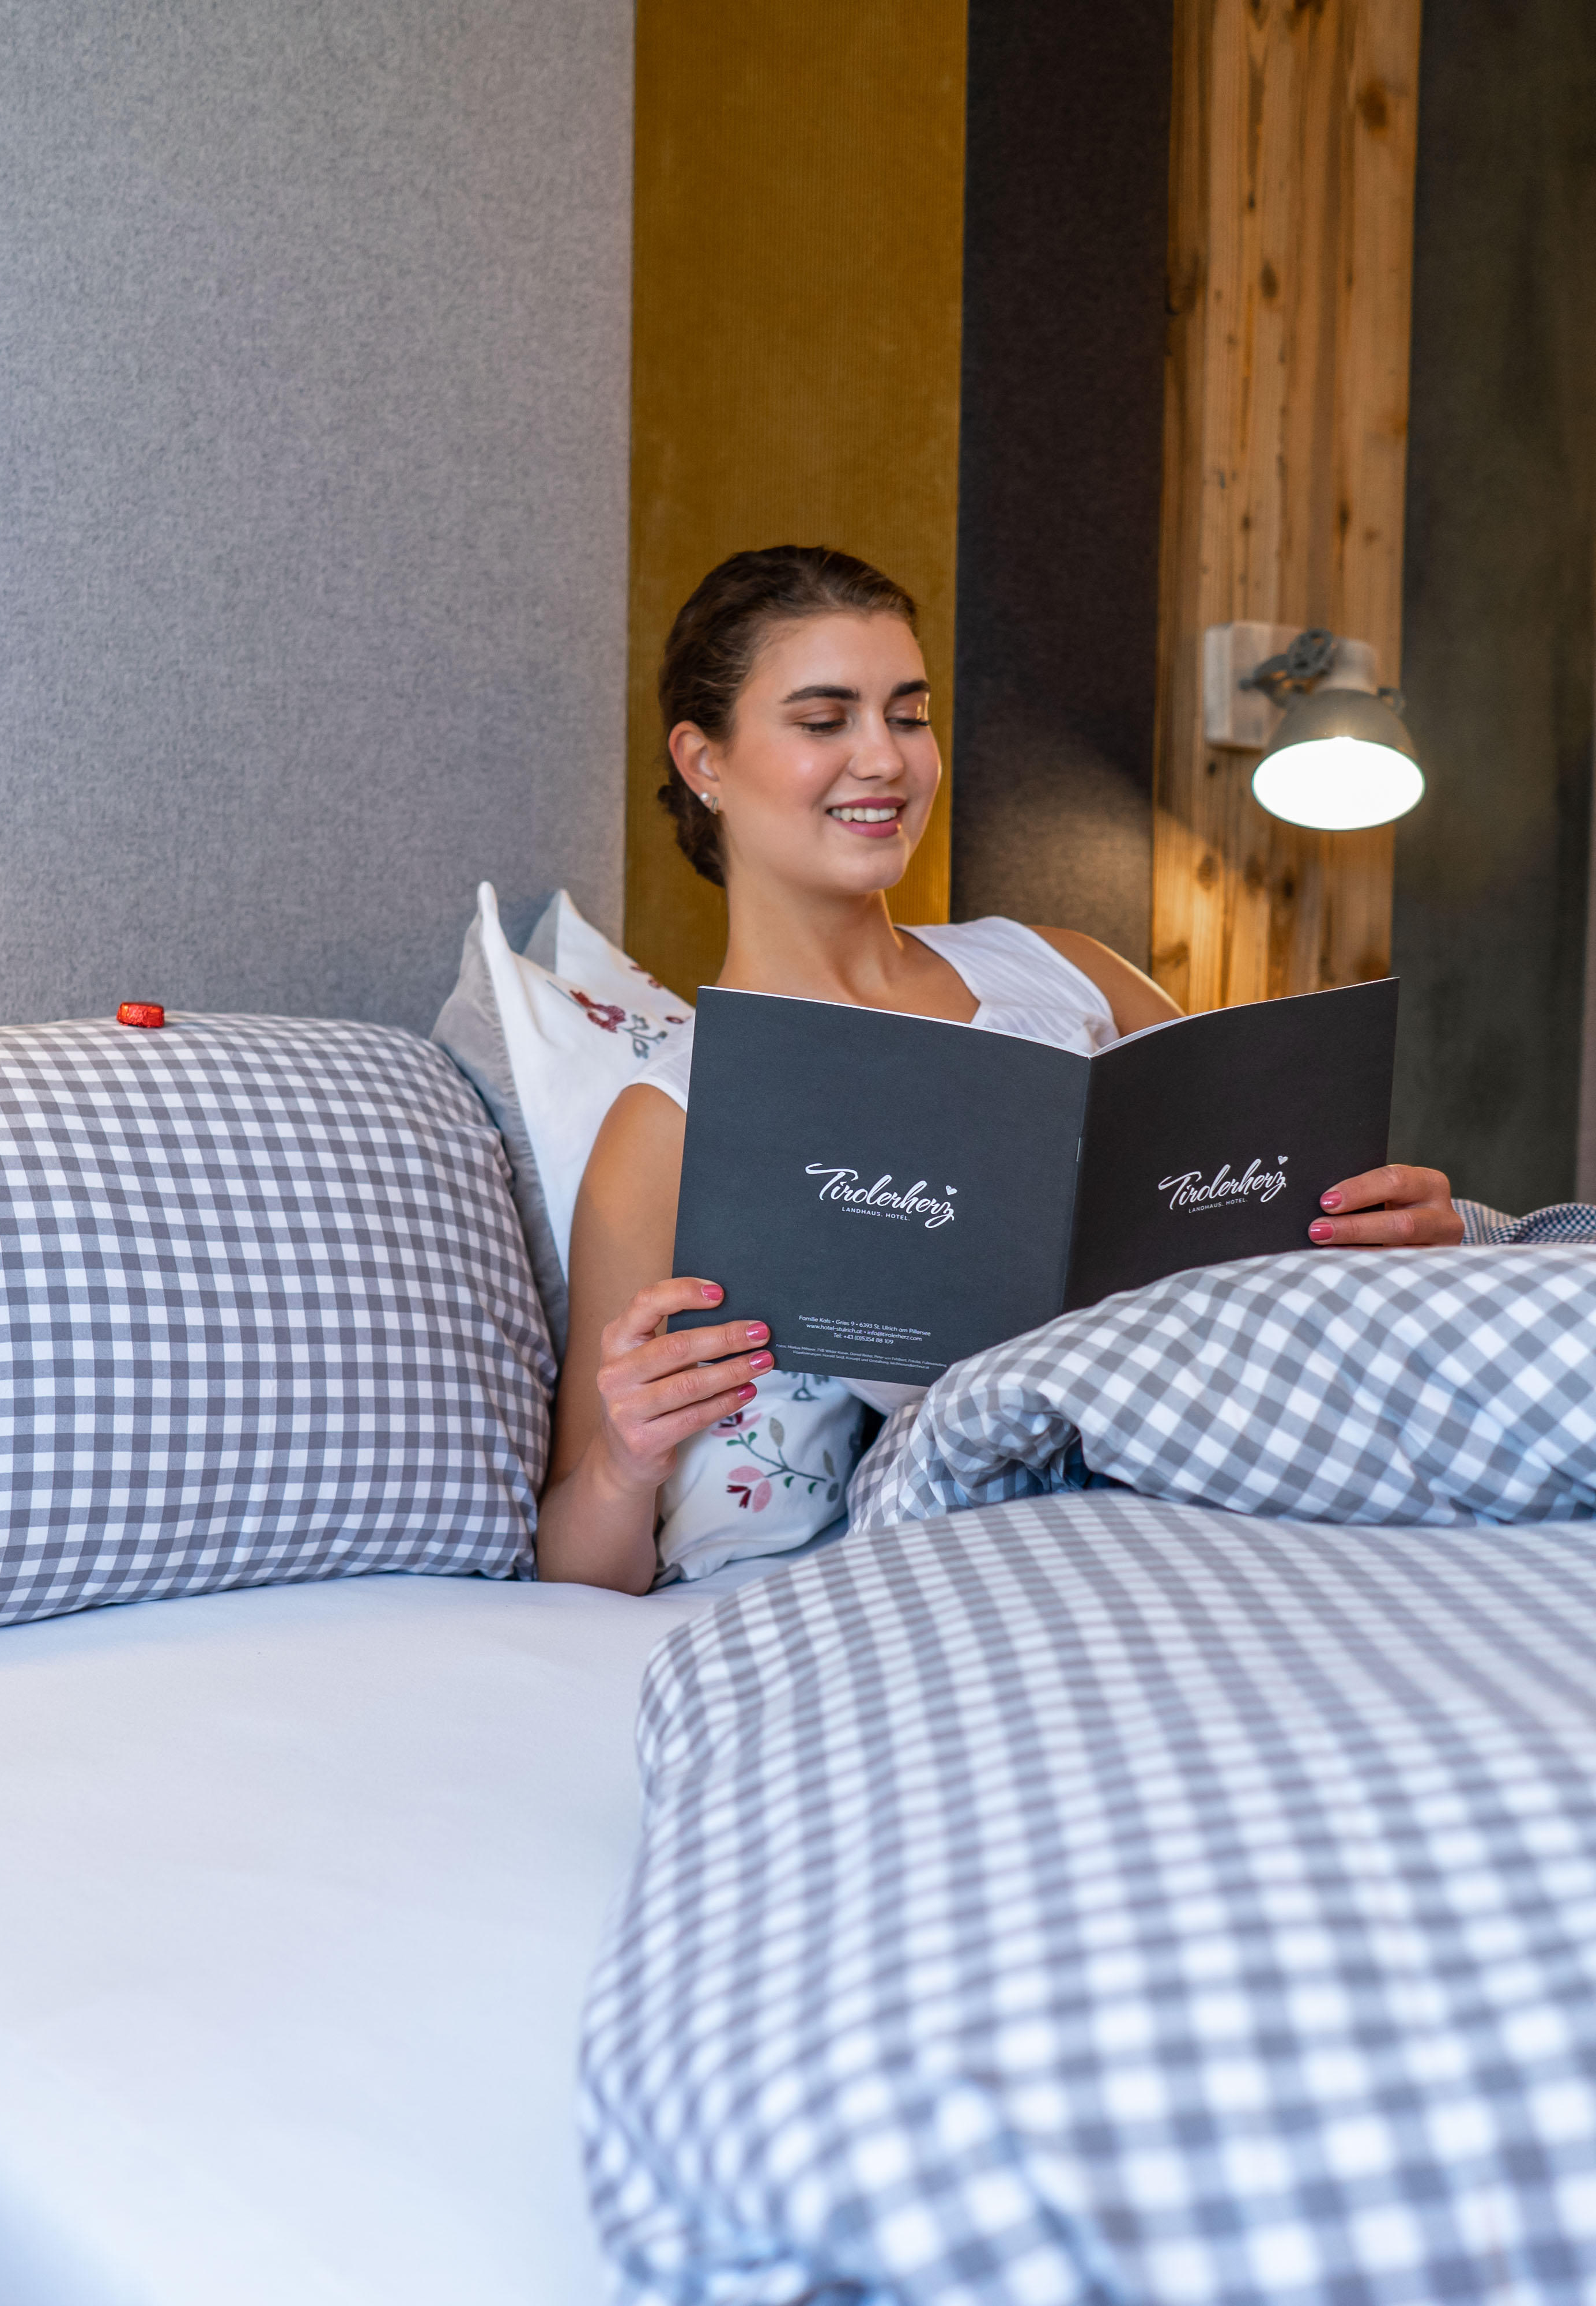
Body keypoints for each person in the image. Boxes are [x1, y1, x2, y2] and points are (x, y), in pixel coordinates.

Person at [536, 547, 1460, 1592]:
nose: (885, 759)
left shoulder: (1065, 965)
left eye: (909, 714)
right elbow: (576, 1573)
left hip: (1242, 1453)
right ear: (704, 761)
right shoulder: (673, 1119)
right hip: (996, 1543)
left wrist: (1397, 1231)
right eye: (826, 720)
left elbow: (1263, 1214)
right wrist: (623, 1462)